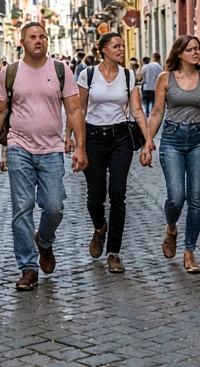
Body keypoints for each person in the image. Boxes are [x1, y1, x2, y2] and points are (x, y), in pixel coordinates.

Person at [0, 23, 86, 291]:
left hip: (52, 149)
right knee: (22, 208)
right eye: (33, 37)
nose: (38, 40)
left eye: (42, 36)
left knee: (54, 206)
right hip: (19, 147)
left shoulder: (60, 70)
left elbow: (75, 110)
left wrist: (81, 147)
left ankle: (44, 241)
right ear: (22, 41)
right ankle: (28, 268)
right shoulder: (10, 73)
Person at [75, 32, 152, 273]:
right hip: (93, 138)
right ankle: (99, 227)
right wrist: (76, 143)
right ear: (104, 50)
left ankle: (113, 252)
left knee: (118, 193)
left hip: (120, 138)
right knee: (95, 197)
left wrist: (148, 140)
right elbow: (79, 109)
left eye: (122, 45)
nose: (121, 49)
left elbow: (137, 110)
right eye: (116, 45)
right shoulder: (88, 75)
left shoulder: (129, 76)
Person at [149, 36, 200, 274]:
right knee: (176, 197)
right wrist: (147, 142)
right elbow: (157, 111)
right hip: (171, 139)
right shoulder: (165, 78)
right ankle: (171, 227)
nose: (196, 52)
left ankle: (189, 252)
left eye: (198, 48)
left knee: (195, 199)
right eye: (190, 49)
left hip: (199, 141)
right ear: (179, 53)